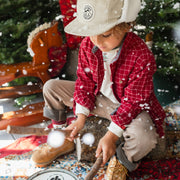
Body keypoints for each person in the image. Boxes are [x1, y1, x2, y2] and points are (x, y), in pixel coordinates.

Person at [32, 0, 166, 179]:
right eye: (92, 34)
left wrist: (111, 135)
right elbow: (84, 82)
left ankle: (122, 160)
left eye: (105, 34)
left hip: (132, 107)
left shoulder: (141, 55)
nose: (97, 41)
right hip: (99, 99)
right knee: (51, 87)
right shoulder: (89, 44)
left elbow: (134, 102)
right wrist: (80, 118)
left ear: (125, 26)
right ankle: (63, 136)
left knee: (145, 138)